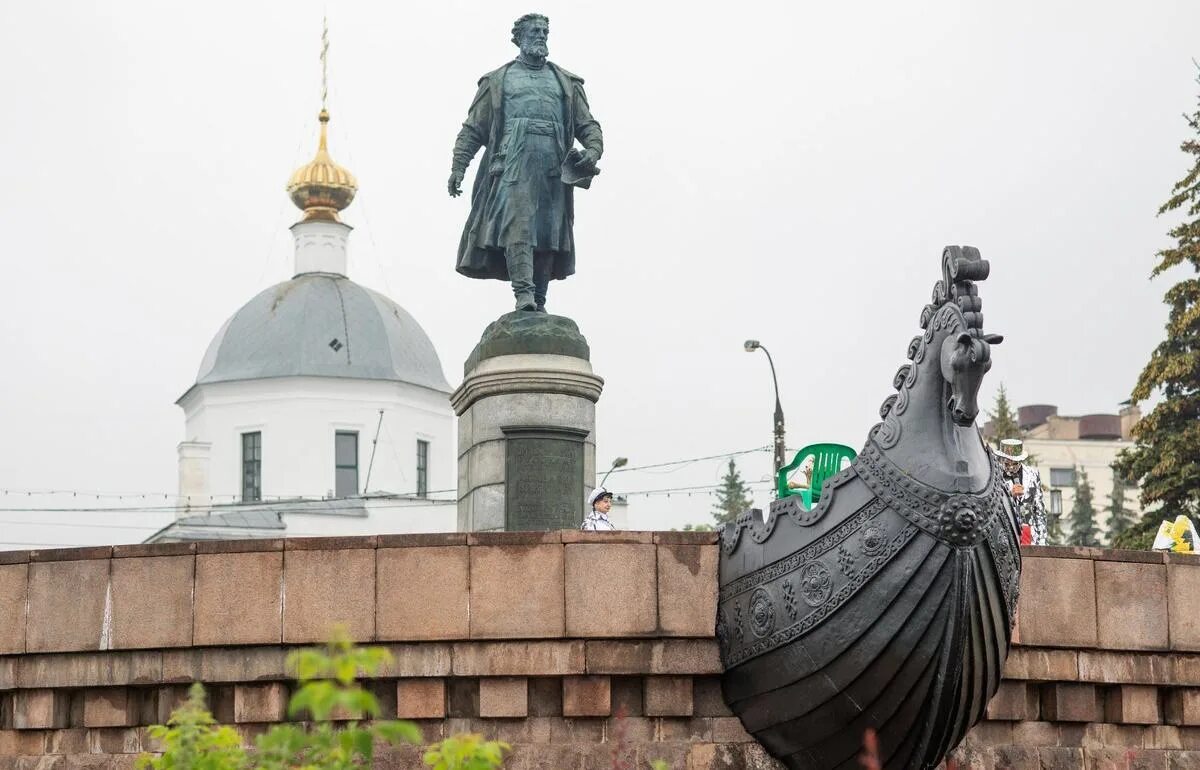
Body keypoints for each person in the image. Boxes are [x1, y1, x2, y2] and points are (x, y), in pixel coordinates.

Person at [448, 13, 604, 313]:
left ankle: (540, 301)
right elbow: (473, 129)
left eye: (545, 30)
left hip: (554, 162)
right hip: (513, 161)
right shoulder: (499, 80)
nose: (541, 35)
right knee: (518, 225)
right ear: (518, 38)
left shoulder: (566, 82)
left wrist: (594, 150)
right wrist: (459, 166)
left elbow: (588, 125)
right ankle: (524, 294)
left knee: (548, 231)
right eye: (535, 31)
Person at [994, 438, 1048, 545]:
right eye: (1007, 464)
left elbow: (1039, 510)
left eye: (1015, 464)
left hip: (1028, 534)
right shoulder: (995, 475)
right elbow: (993, 506)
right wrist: (1010, 495)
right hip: (1005, 534)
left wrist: (1042, 541)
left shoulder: (1033, 474)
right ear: (1001, 459)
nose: (1011, 467)